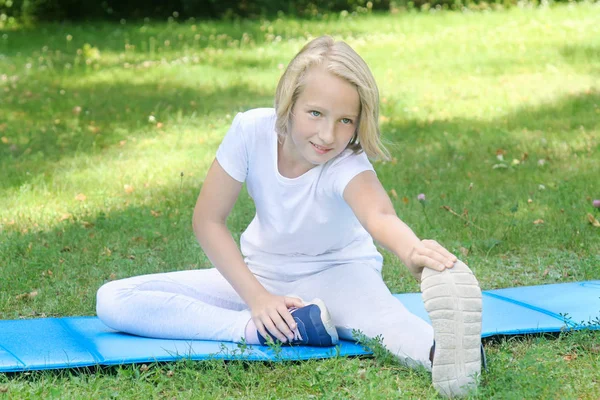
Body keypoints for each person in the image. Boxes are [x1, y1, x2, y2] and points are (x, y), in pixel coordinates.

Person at [96, 35, 483, 398]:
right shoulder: (251, 131)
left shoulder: (346, 162)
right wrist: (258, 300)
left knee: (388, 325)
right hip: (260, 275)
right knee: (115, 299)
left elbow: (379, 215)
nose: (327, 135)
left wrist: (411, 249)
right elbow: (208, 221)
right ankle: (264, 330)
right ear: (290, 102)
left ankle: (453, 357)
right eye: (315, 113)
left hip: (340, 275)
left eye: (345, 121)